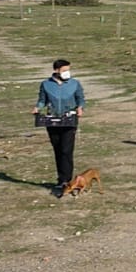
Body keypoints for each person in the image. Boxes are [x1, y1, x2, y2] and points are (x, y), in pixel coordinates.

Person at [35, 59, 86, 195]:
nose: (66, 73)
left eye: (68, 70)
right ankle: (61, 178)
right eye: (64, 70)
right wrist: (37, 108)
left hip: (69, 119)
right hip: (53, 120)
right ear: (56, 70)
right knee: (57, 149)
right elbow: (42, 100)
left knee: (66, 149)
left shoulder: (74, 84)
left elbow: (80, 98)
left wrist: (80, 108)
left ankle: (67, 180)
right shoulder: (46, 84)